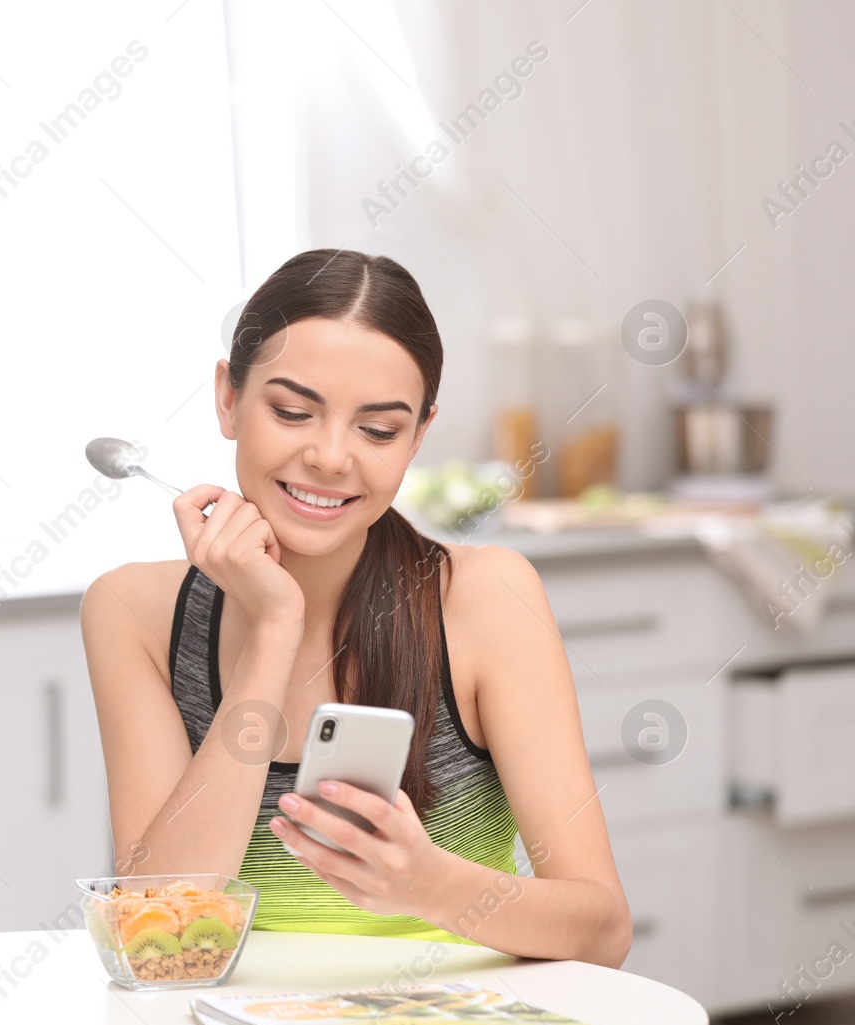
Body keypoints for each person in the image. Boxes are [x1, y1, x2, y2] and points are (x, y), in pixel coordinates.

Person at [79, 249, 632, 966]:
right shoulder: (133, 610)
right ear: (227, 398)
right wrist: (275, 629)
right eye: (292, 410)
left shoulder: (486, 597)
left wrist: (428, 884)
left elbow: (603, 928)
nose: (332, 457)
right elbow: (164, 930)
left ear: (419, 436)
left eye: (378, 430)